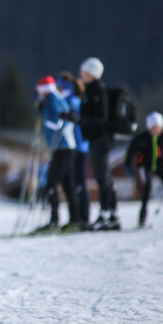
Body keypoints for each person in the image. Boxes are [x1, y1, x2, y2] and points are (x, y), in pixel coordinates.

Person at [34, 76, 80, 232]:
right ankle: (75, 220)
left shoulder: (51, 98)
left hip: (62, 147)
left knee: (51, 184)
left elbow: (56, 122)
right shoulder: (56, 97)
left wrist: (42, 109)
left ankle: (54, 220)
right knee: (67, 185)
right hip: (65, 147)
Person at [79, 58, 120, 230]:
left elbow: (100, 117)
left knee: (102, 177)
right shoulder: (91, 90)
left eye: (84, 72)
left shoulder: (97, 91)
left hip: (100, 138)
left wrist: (82, 120)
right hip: (96, 138)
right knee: (104, 177)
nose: (81, 74)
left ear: (91, 73)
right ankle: (112, 214)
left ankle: (106, 214)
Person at [58, 72, 90, 227]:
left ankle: (84, 218)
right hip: (74, 147)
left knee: (79, 183)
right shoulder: (68, 99)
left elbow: (79, 121)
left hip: (79, 147)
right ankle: (77, 217)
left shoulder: (72, 101)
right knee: (73, 183)